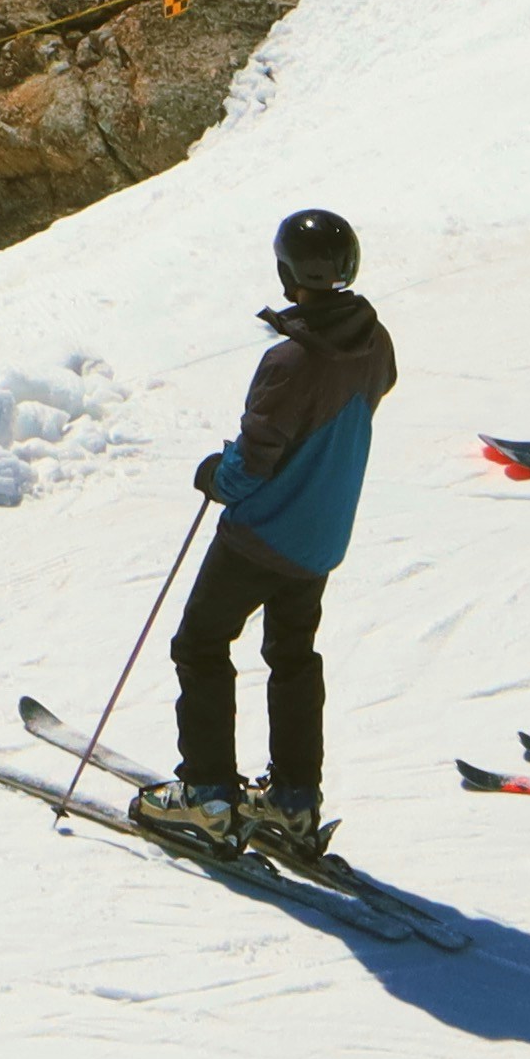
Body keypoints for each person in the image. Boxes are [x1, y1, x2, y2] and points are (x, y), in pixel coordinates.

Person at [143, 208, 399, 860]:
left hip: (261, 536)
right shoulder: (375, 342)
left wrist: (216, 475)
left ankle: (208, 798)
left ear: (289, 274)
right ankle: (293, 802)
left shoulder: (290, 361)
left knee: (200, 645)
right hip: (321, 539)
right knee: (292, 656)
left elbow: (252, 466)